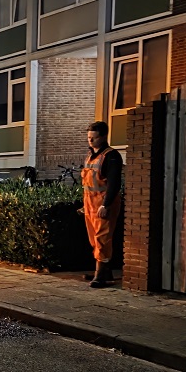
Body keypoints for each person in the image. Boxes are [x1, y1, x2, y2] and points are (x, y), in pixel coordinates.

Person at [81, 120, 123, 288]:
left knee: (102, 238)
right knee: (94, 239)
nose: (90, 141)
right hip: (91, 203)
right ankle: (105, 271)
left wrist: (106, 205)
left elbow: (114, 183)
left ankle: (100, 275)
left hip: (104, 203)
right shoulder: (90, 156)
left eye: (94, 138)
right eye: (89, 137)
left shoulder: (111, 156)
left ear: (104, 137)